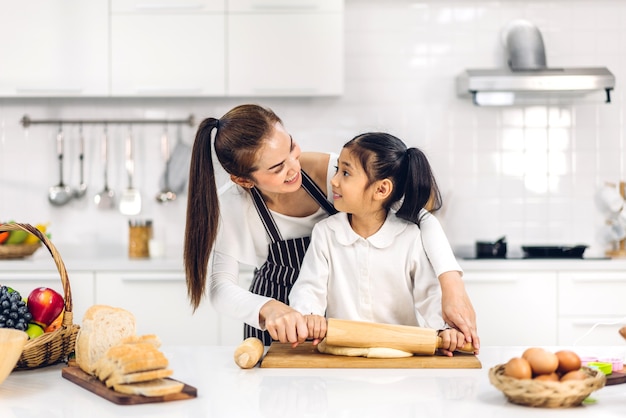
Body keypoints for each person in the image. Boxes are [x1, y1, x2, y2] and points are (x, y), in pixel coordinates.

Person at [184, 104, 478, 349]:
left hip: (334, 327)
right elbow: (221, 287)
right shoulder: (232, 206)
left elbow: (418, 217)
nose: (294, 167)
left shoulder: (336, 174)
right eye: (277, 168)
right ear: (244, 180)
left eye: (291, 148)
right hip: (274, 322)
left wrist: (451, 285)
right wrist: (269, 309)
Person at [288, 132, 475, 356]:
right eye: (337, 169)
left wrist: (444, 329)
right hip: (342, 363)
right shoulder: (325, 233)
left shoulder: (410, 236)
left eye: (346, 173)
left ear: (381, 190)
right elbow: (309, 286)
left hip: (401, 359)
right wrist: (309, 314)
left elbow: (430, 294)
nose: (334, 180)